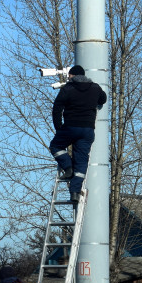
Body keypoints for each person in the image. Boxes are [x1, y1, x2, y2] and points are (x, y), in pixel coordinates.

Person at [49, 65, 107, 202]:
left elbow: (57, 108)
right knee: (81, 161)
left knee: (55, 146)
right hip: (87, 130)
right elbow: (103, 99)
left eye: (69, 75)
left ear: (73, 75)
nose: (68, 77)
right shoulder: (95, 87)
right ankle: (75, 192)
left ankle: (68, 167)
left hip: (70, 126)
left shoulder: (68, 88)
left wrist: (59, 128)